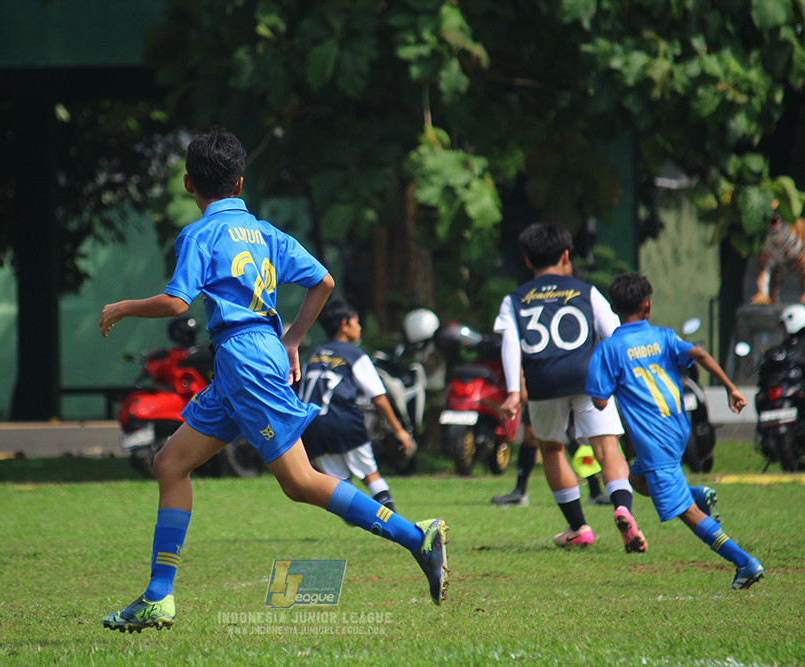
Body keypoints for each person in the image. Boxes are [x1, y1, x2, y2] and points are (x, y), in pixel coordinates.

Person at [97, 128, 449, 633]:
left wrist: (124, 307)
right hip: (246, 358)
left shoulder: (199, 233)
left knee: (301, 482)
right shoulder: (265, 232)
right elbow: (323, 281)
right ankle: (158, 596)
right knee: (169, 463)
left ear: (188, 184)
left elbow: (178, 302)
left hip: (243, 359)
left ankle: (419, 537)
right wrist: (291, 339)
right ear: (240, 182)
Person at [586, 273, 764, 589]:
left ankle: (744, 562)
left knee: (687, 513)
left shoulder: (609, 349)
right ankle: (697, 492)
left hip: (654, 440)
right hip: (677, 430)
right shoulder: (664, 337)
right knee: (636, 480)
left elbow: (599, 402)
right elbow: (700, 355)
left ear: (613, 308)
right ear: (648, 305)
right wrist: (730, 389)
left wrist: (607, 381)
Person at [494, 222, 645, 551]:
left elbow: (509, 344)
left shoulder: (515, 299)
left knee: (552, 448)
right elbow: (613, 333)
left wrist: (512, 392)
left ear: (527, 259)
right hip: (588, 378)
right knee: (607, 447)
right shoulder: (585, 291)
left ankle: (578, 528)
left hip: (543, 380)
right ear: (565, 255)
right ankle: (622, 507)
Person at [299, 298, 415, 512]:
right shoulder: (355, 355)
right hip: (343, 421)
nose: (359, 327)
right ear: (345, 325)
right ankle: (396, 526)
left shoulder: (313, 355)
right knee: (371, 476)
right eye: (357, 322)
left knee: (341, 487)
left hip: (313, 425)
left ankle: (358, 515)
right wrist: (399, 431)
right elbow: (378, 396)